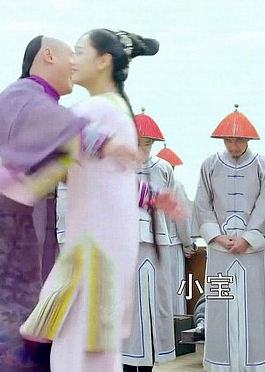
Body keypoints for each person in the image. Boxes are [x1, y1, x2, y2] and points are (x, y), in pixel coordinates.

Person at [0, 35, 138, 372]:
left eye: (80, 54)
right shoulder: (24, 95)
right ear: (49, 56)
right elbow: (51, 130)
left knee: (13, 327)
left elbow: (68, 163)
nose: (73, 62)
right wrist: (101, 142)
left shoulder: (46, 105)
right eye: (71, 53)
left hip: (17, 232)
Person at [20, 29, 170, 372]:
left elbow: (49, 137)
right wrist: (150, 196)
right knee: (93, 349)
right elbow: (114, 179)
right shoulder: (117, 110)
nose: (72, 60)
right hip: (105, 248)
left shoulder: (95, 108)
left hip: (93, 251)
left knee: (77, 349)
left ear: (103, 61)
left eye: (78, 51)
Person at [194, 105, 265, 372]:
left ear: (248, 139)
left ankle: (255, 364)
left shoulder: (264, 165)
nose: (233, 145)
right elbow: (202, 205)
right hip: (219, 251)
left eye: (239, 140)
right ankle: (221, 364)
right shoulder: (209, 165)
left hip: (252, 251)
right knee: (219, 306)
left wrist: (249, 238)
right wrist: (217, 237)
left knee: (255, 307)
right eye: (229, 140)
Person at [121, 109, 179, 371]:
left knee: (155, 305)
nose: (143, 148)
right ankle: (125, 362)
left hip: (156, 243)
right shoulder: (117, 166)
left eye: (148, 143)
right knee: (126, 306)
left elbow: (170, 203)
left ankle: (149, 363)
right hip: (124, 243)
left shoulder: (163, 168)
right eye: (138, 142)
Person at [156, 143, 198, 315]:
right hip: (172, 245)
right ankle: (176, 327)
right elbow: (182, 219)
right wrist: (189, 244)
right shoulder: (176, 186)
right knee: (175, 290)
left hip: (152, 245)